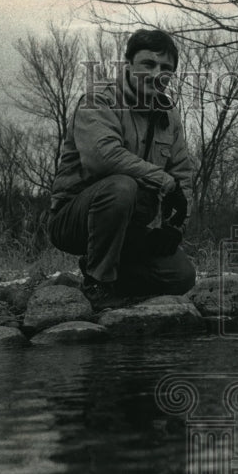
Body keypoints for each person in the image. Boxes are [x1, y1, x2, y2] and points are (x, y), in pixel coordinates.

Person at [47, 29, 195, 306]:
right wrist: (165, 182)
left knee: (182, 277)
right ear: (128, 64)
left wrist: (175, 226)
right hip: (74, 220)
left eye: (165, 68)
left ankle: (111, 274)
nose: (156, 74)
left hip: (129, 226)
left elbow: (182, 175)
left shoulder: (170, 116)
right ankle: (98, 282)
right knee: (121, 186)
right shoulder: (99, 100)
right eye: (148, 64)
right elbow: (103, 157)